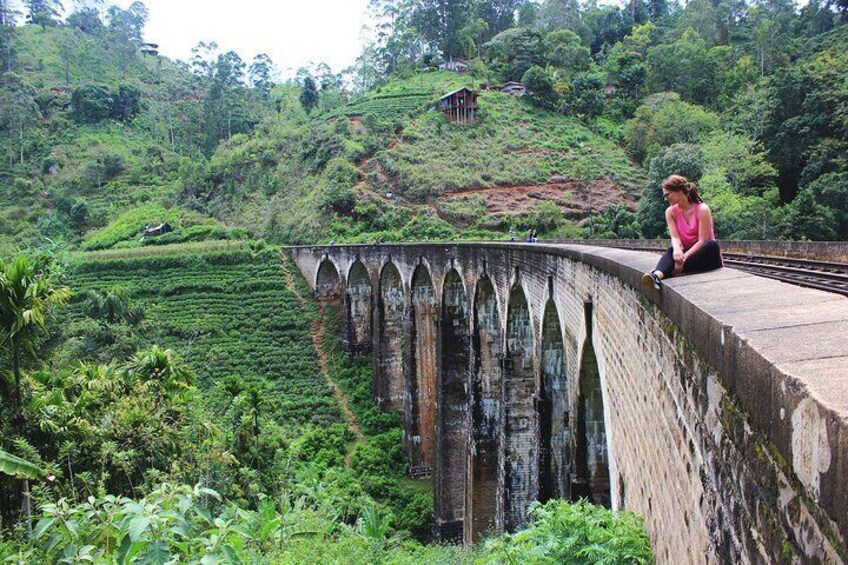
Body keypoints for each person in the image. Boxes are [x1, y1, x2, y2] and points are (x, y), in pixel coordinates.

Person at [642, 175, 722, 292]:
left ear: (679, 191)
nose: (665, 198)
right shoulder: (670, 212)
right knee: (671, 251)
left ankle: (667, 270)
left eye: (667, 195)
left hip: (704, 255)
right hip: (687, 255)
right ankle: (656, 276)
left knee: (712, 245)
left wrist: (683, 258)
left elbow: (702, 241)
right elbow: (675, 237)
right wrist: (677, 250)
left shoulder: (702, 209)